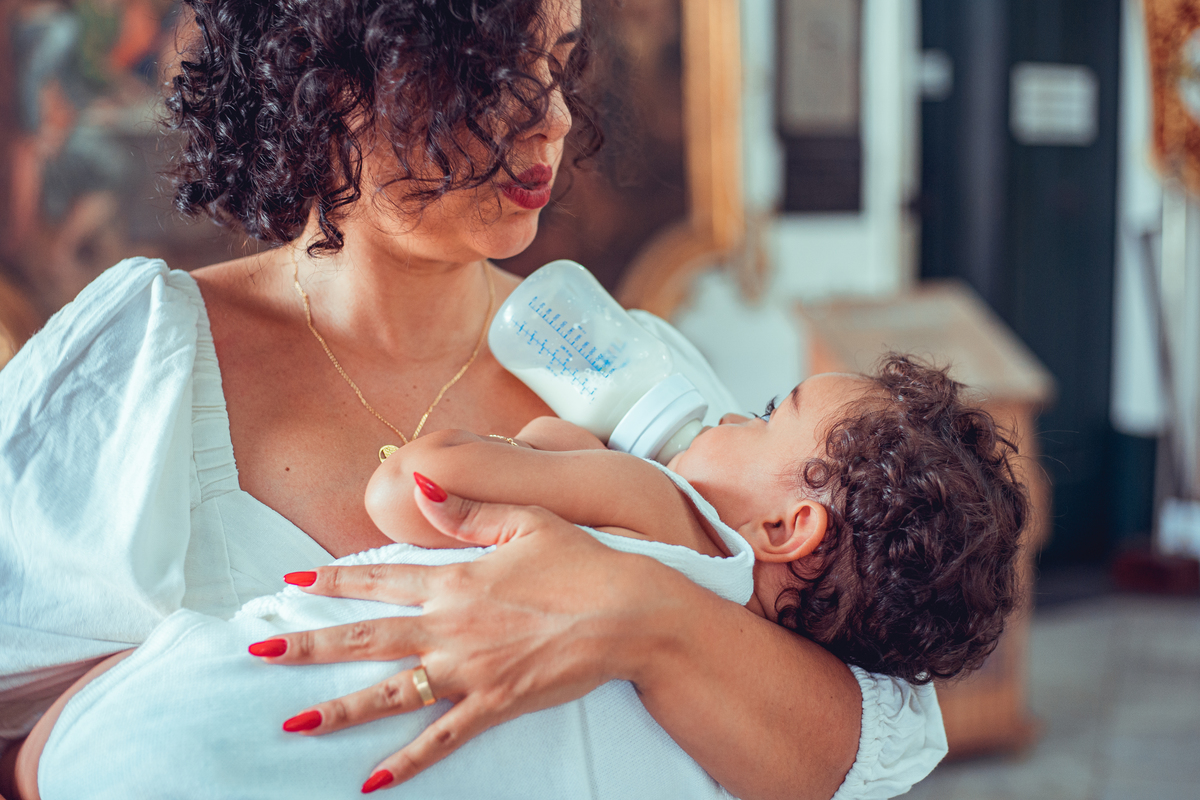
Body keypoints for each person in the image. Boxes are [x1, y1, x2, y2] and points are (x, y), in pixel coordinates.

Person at [0, 1, 949, 798]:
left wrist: (645, 615)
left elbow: (870, 738)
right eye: (488, 74)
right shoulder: (142, 361)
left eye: (557, 65)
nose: (552, 124)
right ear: (330, 80)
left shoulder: (633, 376)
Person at [30, 357, 1016, 799]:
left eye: (768, 411)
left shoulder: (668, 508)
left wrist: (553, 445)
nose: (730, 413)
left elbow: (412, 490)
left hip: (186, 713)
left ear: (786, 524)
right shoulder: (737, 731)